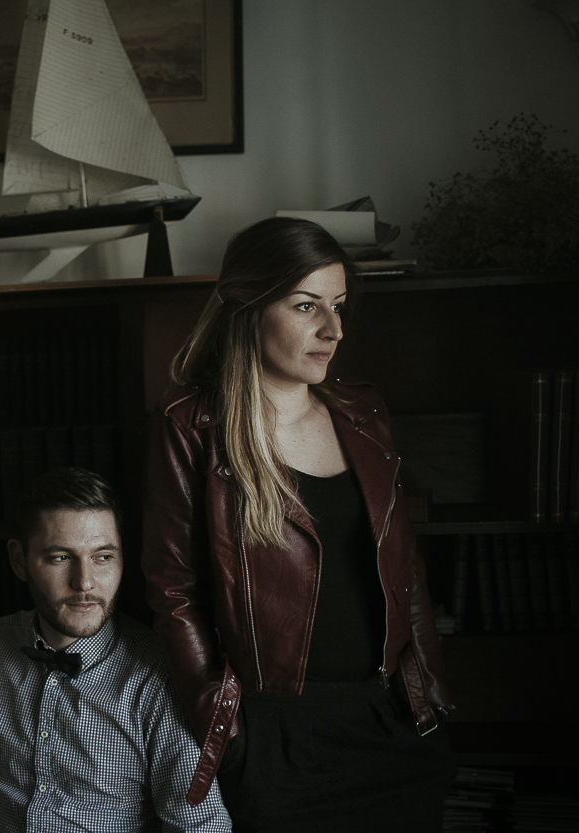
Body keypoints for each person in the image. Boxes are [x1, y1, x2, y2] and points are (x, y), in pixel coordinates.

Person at [142, 217, 456, 832]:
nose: (333, 330)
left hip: (390, 720)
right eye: (307, 306)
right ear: (250, 307)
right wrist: (225, 725)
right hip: (273, 736)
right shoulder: (192, 426)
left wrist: (432, 697)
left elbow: (406, 567)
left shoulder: (363, 414)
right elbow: (173, 591)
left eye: (338, 306)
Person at [0, 467, 232, 833]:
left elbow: (200, 825)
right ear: (19, 560)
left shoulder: (158, 672)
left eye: (103, 557)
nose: (85, 582)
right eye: (60, 557)